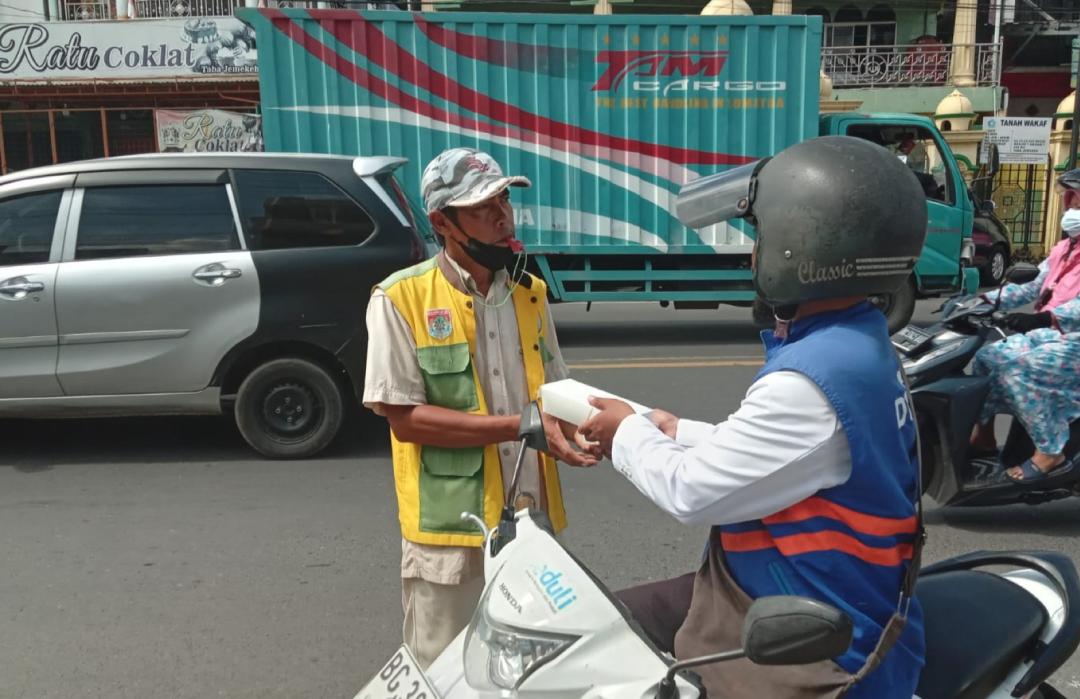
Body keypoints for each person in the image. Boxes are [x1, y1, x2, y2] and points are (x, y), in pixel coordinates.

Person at [579, 136, 927, 699]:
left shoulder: (810, 379)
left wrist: (625, 431)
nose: (751, 255)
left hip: (816, 635)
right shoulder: (856, 343)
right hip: (796, 587)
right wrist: (678, 431)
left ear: (803, 249)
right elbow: (799, 454)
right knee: (604, 621)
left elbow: (692, 494)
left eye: (761, 238)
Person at [362, 147, 598, 669]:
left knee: (530, 665)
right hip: (452, 531)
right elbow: (406, 421)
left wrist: (595, 430)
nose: (502, 217)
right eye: (482, 207)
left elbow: (557, 394)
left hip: (531, 520)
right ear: (443, 222)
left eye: (504, 199)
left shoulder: (529, 295)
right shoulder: (400, 300)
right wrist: (522, 425)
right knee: (445, 667)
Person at [969, 168, 1080, 482]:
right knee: (986, 359)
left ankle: (1051, 451)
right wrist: (985, 301)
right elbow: (1033, 285)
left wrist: (1045, 317)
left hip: (1073, 338)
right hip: (1053, 335)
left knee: (1020, 371)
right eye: (1068, 199)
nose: (1070, 207)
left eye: (1076, 199)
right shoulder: (1065, 248)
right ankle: (985, 436)